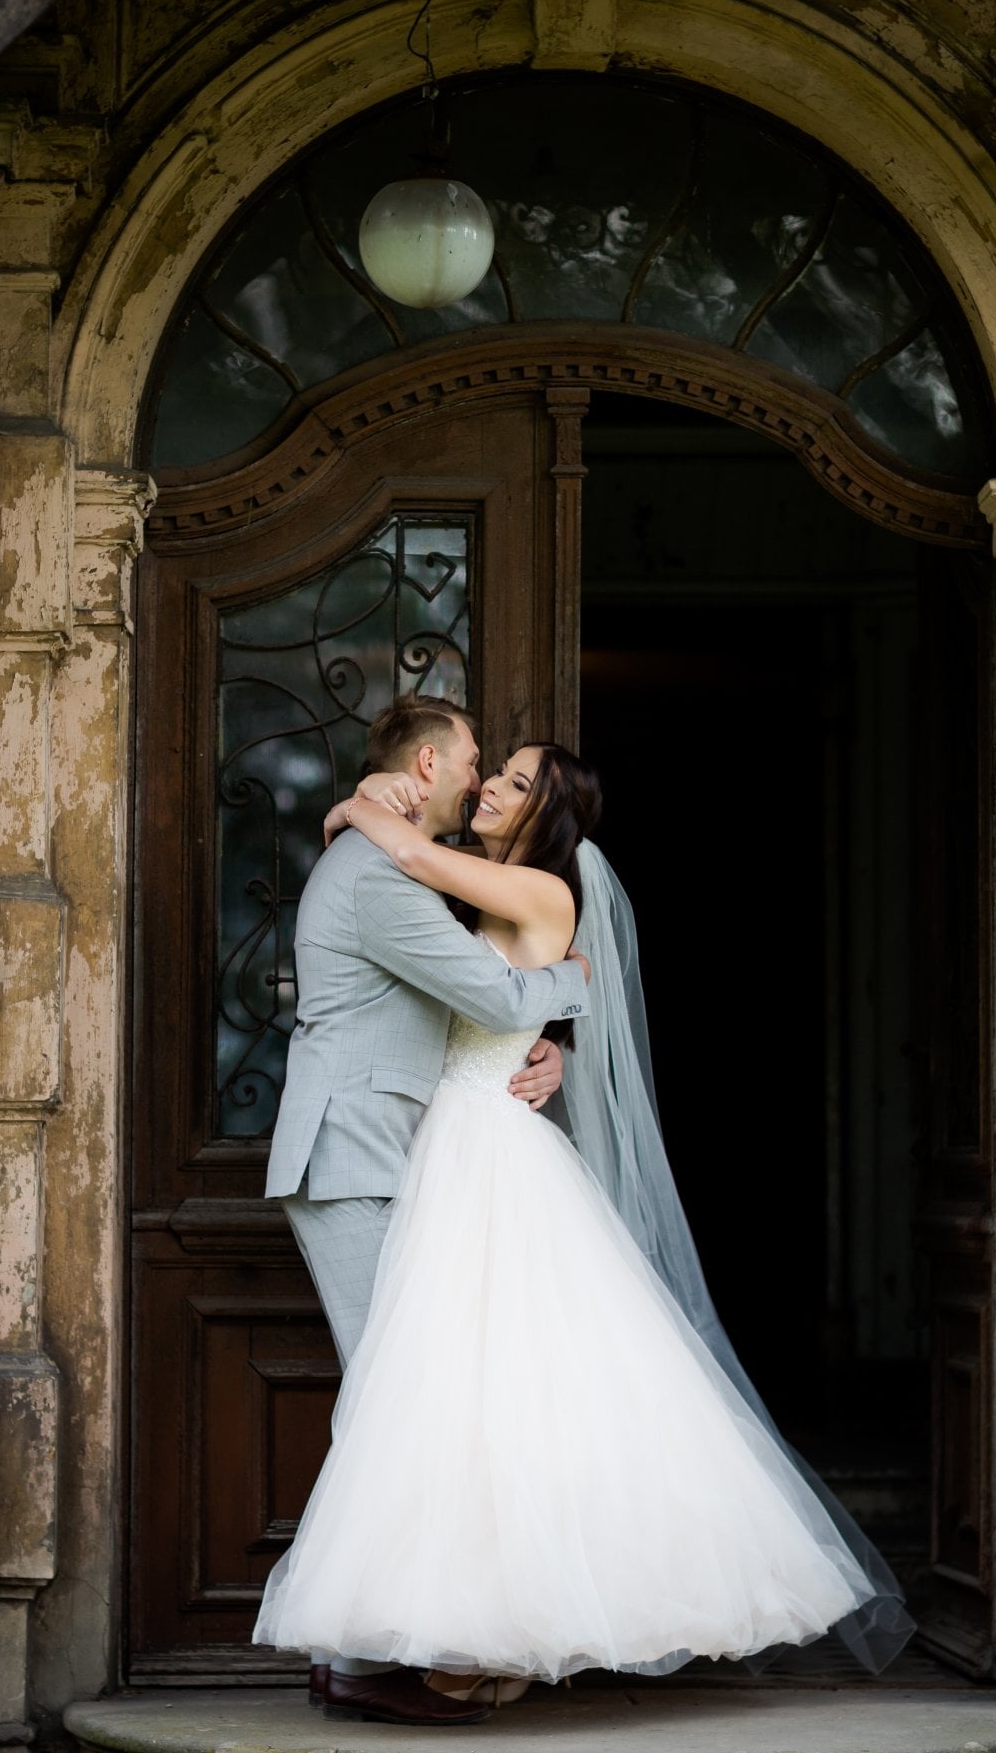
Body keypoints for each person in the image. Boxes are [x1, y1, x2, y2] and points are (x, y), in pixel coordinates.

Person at [254, 741, 910, 1713]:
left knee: (502, 1397)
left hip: (492, 1164)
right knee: (457, 1400)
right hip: (451, 1146)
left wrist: (358, 807)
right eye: (495, 771)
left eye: (517, 784)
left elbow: (427, 869)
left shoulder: (542, 894)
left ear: (547, 817)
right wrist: (550, 1041)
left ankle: (497, 1643)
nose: (491, 788)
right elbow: (467, 986)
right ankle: (457, 1633)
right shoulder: (490, 895)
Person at [264, 699, 591, 1729]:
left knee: (397, 1401)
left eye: (508, 775)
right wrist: (574, 986)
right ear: (432, 760)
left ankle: (364, 1647)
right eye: (475, 762)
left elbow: (486, 989)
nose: (481, 778)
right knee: (389, 1400)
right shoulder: (382, 876)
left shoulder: (397, 858)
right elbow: (496, 1001)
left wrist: (558, 1029)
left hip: (384, 1151)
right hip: (356, 1153)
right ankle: (363, 1653)